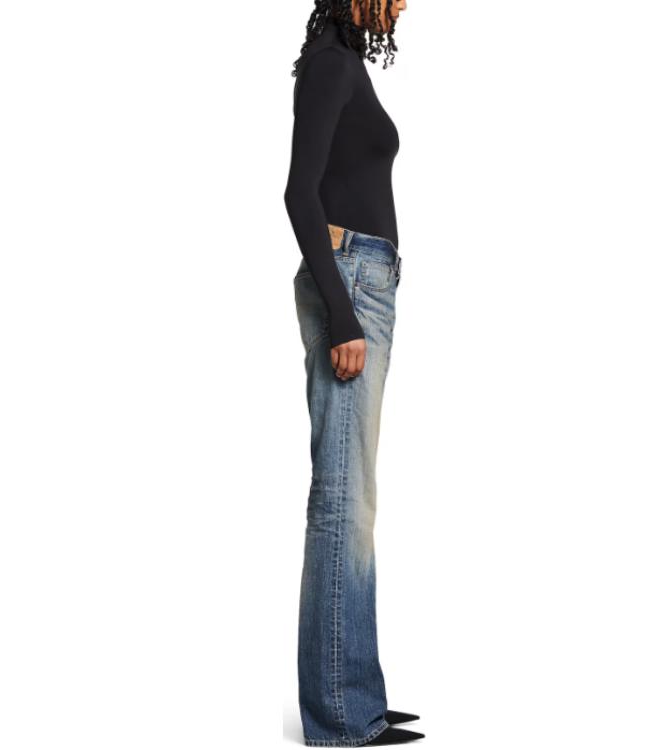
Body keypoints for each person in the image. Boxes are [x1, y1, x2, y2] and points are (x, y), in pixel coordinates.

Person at [284, 2, 424, 746]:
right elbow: (298, 193)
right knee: (343, 500)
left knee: (355, 498)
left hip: (367, 280)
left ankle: (355, 690)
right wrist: (343, 316)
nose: (402, 5)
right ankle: (341, 712)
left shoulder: (345, 61)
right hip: (351, 284)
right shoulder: (333, 65)